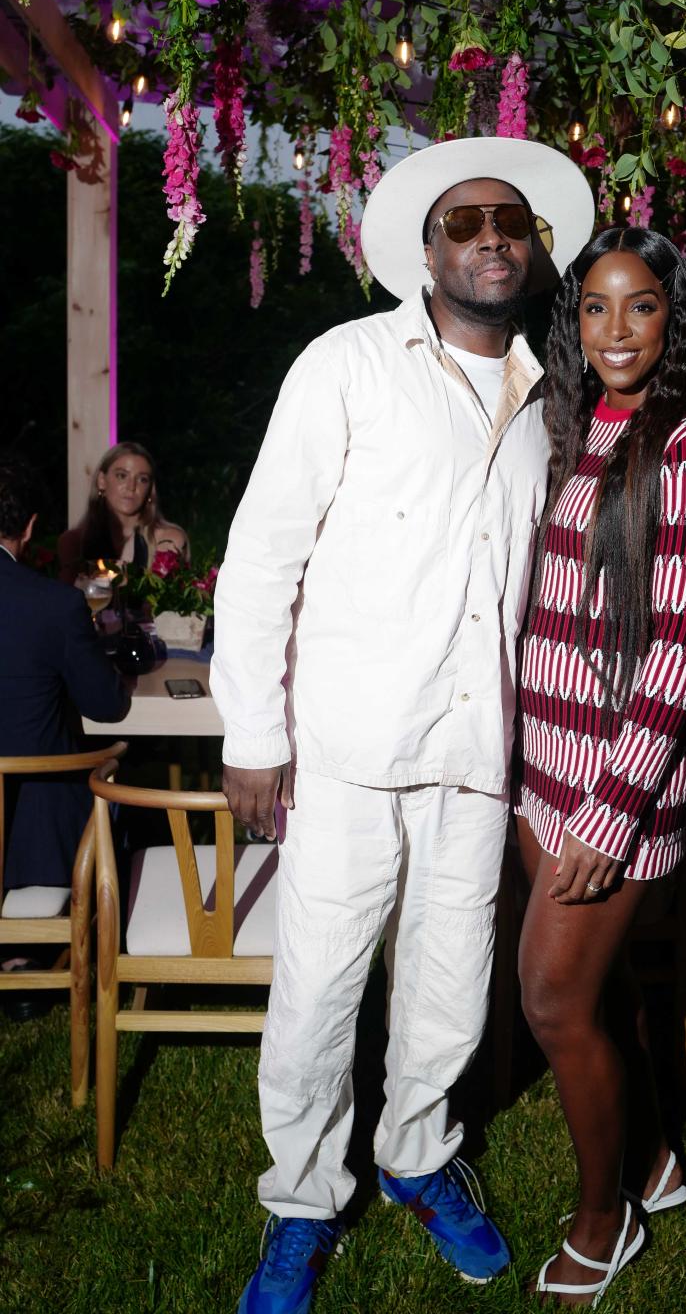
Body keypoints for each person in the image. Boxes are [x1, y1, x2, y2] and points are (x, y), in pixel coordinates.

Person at [210, 136, 595, 1313]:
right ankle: (302, 1201)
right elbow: (263, 555)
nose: (490, 237)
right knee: (321, 989)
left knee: (448, 980)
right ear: (426, 251)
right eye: (464, 222)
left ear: (533, 253)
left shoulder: (551, 401)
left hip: (476, 755)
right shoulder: (347, 364)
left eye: (509, 223)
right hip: (346, 749)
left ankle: (419, 1157)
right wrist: (252, 736)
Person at [513, 227, 686, 1305]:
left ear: (670, 318)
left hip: (617, 789)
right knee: (596, 995)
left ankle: (608, 1221)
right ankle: (654, 1158)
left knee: (552, 1003)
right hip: (542, 766)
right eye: (595, 307)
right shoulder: (567, 426)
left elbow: (679, 651)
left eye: (639, 307)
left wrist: (611, 811)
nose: (615, 331)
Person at [0, 455, 129, 1012]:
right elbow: (108, 706)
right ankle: (33, 951)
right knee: (112, 787)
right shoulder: (53, 605)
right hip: (31, 837)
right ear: (29, 528)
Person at [57, 441, 188, 585]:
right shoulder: (73, 541)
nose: (131, 487)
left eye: (142, 479)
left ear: (150, 489)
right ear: (102, 481)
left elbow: (166, 602)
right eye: (122, 476)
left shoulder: (168, 540)